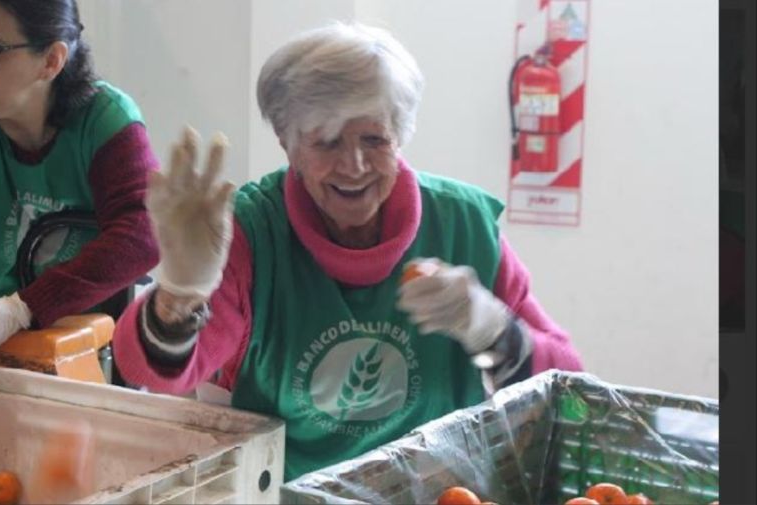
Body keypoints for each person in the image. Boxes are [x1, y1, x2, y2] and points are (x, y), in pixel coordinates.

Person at [112, 23, 582, 481]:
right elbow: (153, 372)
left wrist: (490, 327)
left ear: (400, 135)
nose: (353, 165)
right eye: (328, 141)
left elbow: (570, 388)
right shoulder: (252, 232)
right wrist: (180, 292)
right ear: (288, 143)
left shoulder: (463, 225)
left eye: (374, 139)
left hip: (444, 494)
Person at [0, 0, 159, 358]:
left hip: (73, 370)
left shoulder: (106, 125)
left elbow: (145, 233)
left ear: (52, 60)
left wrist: (24, 308)